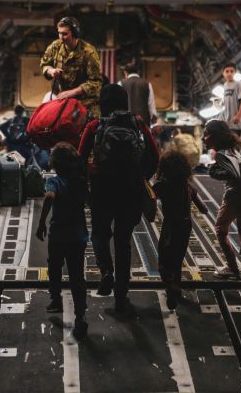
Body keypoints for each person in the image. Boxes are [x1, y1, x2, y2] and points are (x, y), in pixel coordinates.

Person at [78, 84, 160, 312]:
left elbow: (79, 158)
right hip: (131, 190)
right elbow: (155, 156)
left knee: (100, 233)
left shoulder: (95, 126)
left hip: (102, 189)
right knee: (123, 241)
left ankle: (106, 271)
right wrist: (141, 176)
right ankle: (121, 296)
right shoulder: (139, 124)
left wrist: (89, 178)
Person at [204, 119, 241, 303]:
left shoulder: (222, 155)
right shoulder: (236, 152)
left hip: (234, 196)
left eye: (206, 134)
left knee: (221, 231)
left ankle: (232, 268)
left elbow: (232, 175)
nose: (204, 138)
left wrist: (213, 170)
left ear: (215, 136)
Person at [35, 142, 89, 340]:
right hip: (78, 235)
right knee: (77, 277)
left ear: (55, 164)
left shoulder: (54, 182)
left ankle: (55, 298)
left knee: (55, 266)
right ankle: (80, 316)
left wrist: (42, 223)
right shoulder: (81, 181)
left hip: (58, 235)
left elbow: (49, 197)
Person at [154, 150, 207, 310]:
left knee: (164, 259)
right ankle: (177, 287)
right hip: (185, 225)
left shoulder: (162, 185)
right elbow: (203, 209)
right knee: (177, 258)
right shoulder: (188, 186)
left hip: (170, 225)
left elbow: (149, 198)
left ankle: (171, 286)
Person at [40, 17, 103, 118]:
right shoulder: (55, 46)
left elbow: (96, 83)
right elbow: (44, 64)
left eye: (65, 34)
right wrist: (51, 71)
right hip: (64, 102)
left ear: (75, 33)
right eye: (59, 33)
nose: (61, 37)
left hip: (86, 105)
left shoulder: (89, 52)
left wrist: (72, 93)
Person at [219, 62, 241, 138]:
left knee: (235, 145)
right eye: (227, 71)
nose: (229, 73)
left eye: (232, 71)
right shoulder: (224, 86)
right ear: (223, 73)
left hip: (236, 123)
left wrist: (238, 116)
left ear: (235, 73)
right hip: (228, 124)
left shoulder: (238, 83)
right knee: (228, 147)